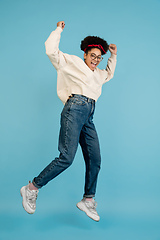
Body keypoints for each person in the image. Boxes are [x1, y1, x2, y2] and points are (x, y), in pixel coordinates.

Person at [20, 21, 117, 222]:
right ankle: (31, 188)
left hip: (89, 114)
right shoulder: (71, 62)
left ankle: (88, 200)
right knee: (66, 158)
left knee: (95, 158)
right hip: (74, 108)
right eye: (93, 56)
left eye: (99, 58)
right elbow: (51, 51)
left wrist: (113, 56)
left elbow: (108, 74)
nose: (96, 60)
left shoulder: (98, 74)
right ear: (85, 54)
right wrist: (58, 30)